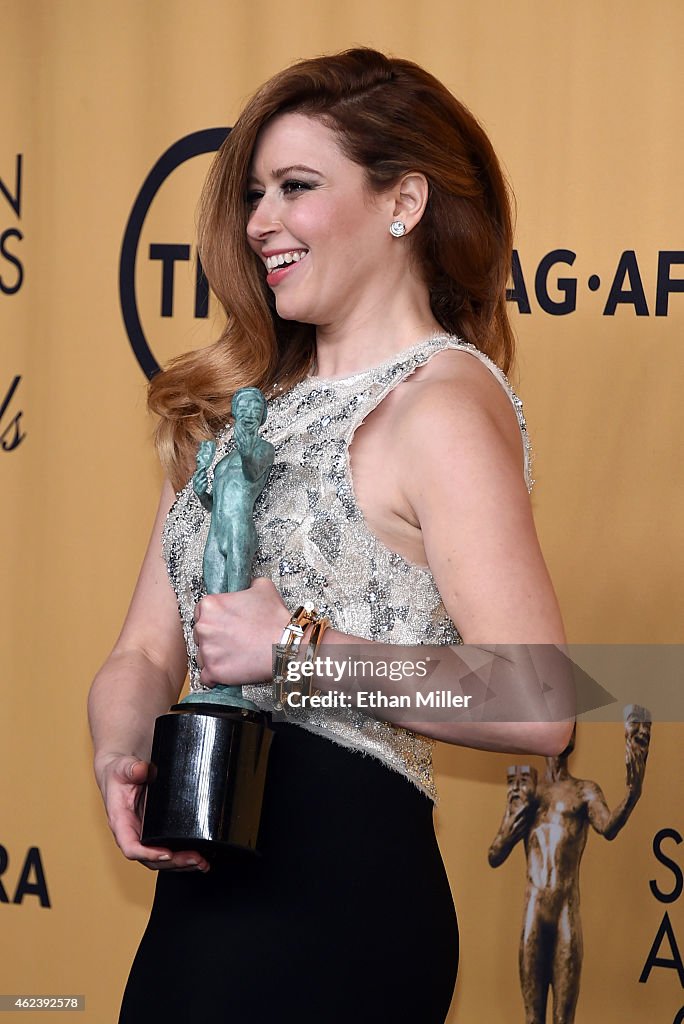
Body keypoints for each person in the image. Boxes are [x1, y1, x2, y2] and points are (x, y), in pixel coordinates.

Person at [88, 47, 573, 1023]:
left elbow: (541, 696)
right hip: (196, 892)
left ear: (403, 203)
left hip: (337, 906)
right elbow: (145, 650)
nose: (262, 219)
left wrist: (297, 651)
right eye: (257, 192)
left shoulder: (440, 405)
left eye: (297, 187)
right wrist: (118, 755)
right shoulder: (239, 411)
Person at [488, 710, 651, 1024]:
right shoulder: (528, 792)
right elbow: (494, 855)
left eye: (570, 725)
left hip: (565, 912)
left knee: (564, 1019)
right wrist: (509, 829)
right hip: (534, 911)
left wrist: (633, 793)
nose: (566, 731)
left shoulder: (585, 791)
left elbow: (608, 827)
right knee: (533, 1019)